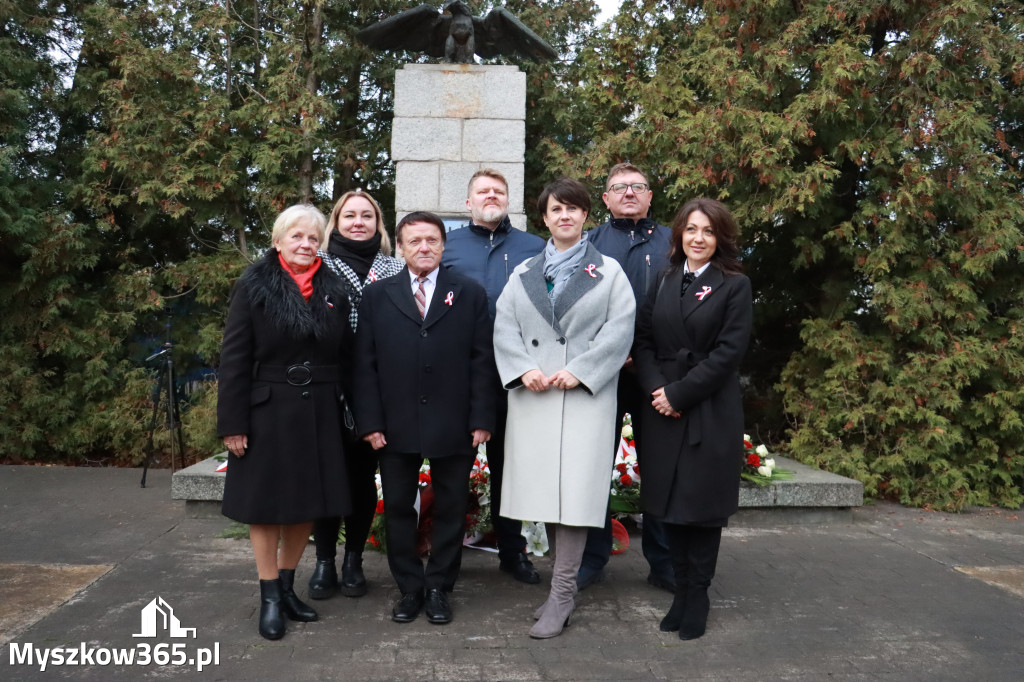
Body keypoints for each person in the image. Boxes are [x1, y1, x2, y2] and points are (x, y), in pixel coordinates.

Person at [493, 178, 635, 638]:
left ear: (585, 216)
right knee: (546, 497)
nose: (565, 216)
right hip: (535, 395)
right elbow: (505, 328)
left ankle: (561, 594)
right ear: (545, 218)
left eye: (573, 209)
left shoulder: (609, 272)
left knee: (575, 496)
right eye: (557, 209)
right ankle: (561, 589)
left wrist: (583, 369)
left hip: (583, 398)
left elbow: (620, 330)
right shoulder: (523, 272)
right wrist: (521, 368)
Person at [352, 211, 496, 625]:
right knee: (399, 507)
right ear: (399, 247)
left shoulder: (468, 293)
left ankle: (438, 588)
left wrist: (481, 417)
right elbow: (365, 366)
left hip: (454, 422)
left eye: (432, 240)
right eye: (414, 241)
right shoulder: (377, 295)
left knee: (451, 507)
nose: (424, 248)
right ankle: (410, 588)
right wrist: (370, 422)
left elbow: (482, 361)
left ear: (443, 245)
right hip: (394, 425)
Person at [217, 204, 353, 640]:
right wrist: (233, 423)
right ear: (278, 241)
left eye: (313, 238)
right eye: (296, 236)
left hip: (319, 410)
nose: (305, 244)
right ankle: (270, 595)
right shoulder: (254, 286)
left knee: (306, 504)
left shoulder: (334, 288)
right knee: (265, 507)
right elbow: (234, 358)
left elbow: (345, 355)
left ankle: (290, 586)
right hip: (267, 410)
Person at [632, 198, 752, 640]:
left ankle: (696, 595)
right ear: (678, 234)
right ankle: (679, 589)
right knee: (669, 507)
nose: (698, 238)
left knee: (700, 509)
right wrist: (656, 391)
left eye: (707, 231)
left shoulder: (734, 286)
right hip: (662, 405)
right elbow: (642, 340)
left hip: (708, 409)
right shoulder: (663, 280)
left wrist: (680, 393)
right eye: (691, 230)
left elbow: (728, 353)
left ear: (719, 238)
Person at [442, 168, 545, 584]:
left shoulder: (534, 247)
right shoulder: (446, 245)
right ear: (468, 202)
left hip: (516, 372)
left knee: (511, 468)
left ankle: (512, 551)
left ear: (508, 200)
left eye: (498, 191)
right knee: (453, 467)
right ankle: (446, 555)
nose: (491, 196)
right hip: (459, 375)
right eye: (482, 191)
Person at [579, 162, 676, 592]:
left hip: (657, 374)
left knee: (660, 469)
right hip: (604, 373)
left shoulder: (675, 243)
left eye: (638, 186)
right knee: (594, 465)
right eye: (619, 187)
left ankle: (664, 562)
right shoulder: (588, 245)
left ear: (651, 195)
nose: (629, 193)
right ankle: (590, 558)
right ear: (605, 199)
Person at [306, 190, 404, 601]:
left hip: (380, 387)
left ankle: (353, 560)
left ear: (378, 224)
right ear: (336, 221)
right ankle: (324, 560)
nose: (358, 222)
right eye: (350, 215)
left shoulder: (395, 267)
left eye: (367, 215)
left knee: (364, 479)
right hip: (329, 386)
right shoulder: (317, 265)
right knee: (328, 477)